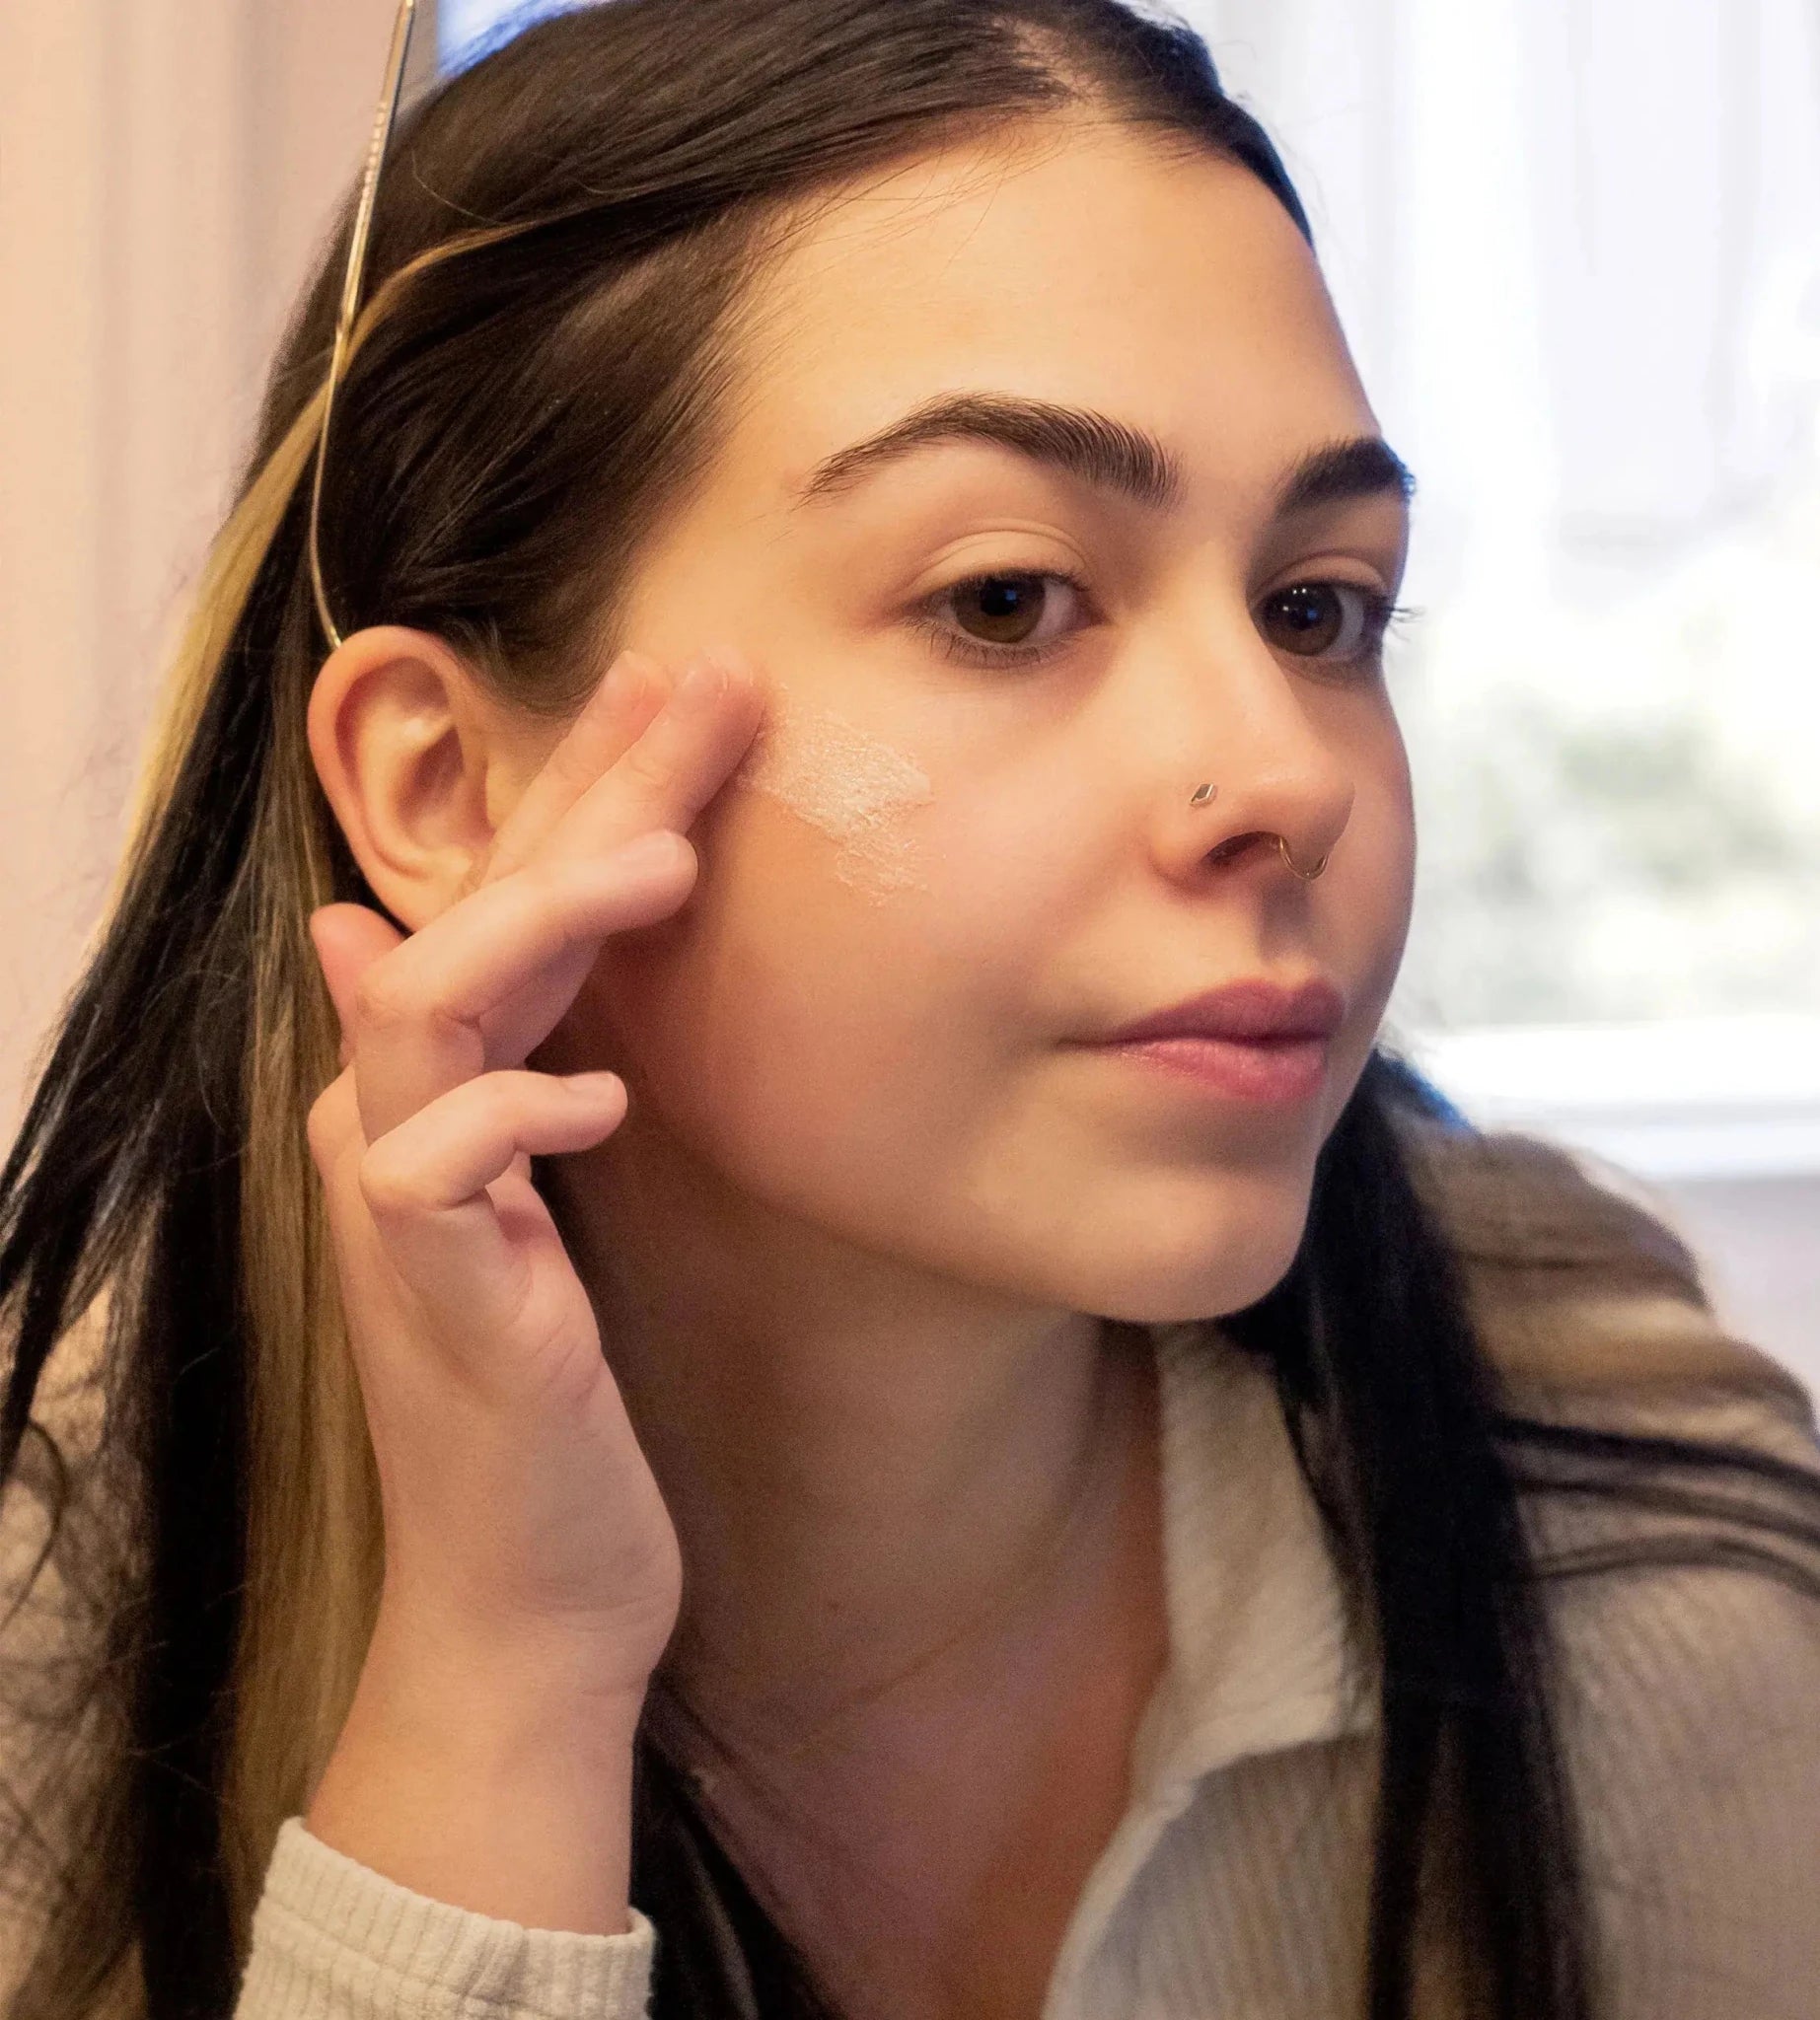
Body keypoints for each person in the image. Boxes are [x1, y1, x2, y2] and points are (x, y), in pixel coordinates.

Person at [2, 1, 1816, 2015]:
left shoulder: (1632, 1551)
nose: (1282, 775)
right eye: (1004, 598)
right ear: (446, 786)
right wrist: (500, 1680)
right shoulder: (50, 1638)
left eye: (1316, 606)